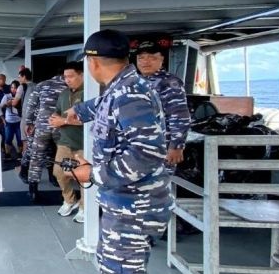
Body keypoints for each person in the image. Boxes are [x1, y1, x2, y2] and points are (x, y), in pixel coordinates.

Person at [63, 29, 172, 273]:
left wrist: (92, 174)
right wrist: (79, 111)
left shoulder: (129, 93)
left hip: (134, 206)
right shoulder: (122, 87)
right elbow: (106, 105)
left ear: (93, 62)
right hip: (125, 203)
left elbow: (145, 155)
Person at [135, 39, 191, 168]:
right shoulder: (135, 81)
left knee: (157, 185)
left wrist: (176, 146)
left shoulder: (169, 83)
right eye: (141, 58)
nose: (145, 61)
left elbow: (179, 117)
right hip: (137, 147)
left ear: (162, 59)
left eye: (151, 57)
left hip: (160, 148)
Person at [48, 61, 85, 222]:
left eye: (71, 76)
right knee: (59, 172)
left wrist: (63, 122)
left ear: (82, 75)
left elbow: (90, 119)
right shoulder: (64, 94)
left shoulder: (90, 93)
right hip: (65, 141)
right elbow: (57, 111)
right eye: (65, 77)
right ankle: (70, 200)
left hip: (84, 142)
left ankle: (85, 207)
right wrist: (53, 118)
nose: (67, 80)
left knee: (84, 177)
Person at [22, 71, 67, 193]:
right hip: (61, 126)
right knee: (60, 154)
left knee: (37, 156)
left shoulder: (41, 85)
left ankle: (33, 188)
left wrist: (28, 122)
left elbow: (31, 105)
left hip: (42, 126)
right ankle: (59, 182)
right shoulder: (68, 84)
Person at [0, 80, 23, 160]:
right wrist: (6, 104)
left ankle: (20, 154)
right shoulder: (7, 96)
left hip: (19, 121)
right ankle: (8, 154)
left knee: (20, 139)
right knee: (8, 139)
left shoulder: (21, 96)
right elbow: (1, 106)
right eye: (12, 87)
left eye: (15, 88)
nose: (13, 89)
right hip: (9, 121)